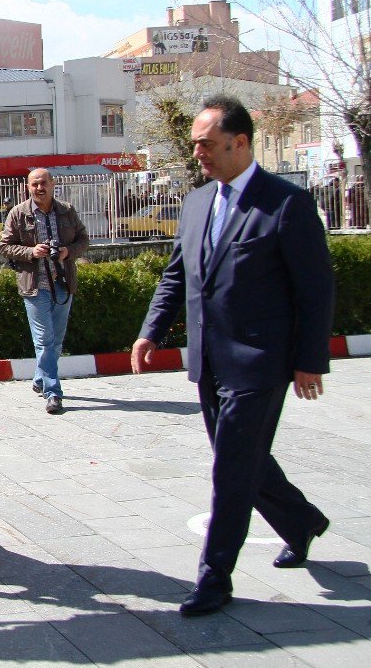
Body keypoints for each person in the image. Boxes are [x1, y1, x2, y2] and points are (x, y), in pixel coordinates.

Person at [131, 95, 333, 617]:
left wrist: (309, 360)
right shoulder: (198, 202)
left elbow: (316, 290)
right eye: (196, 143)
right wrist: (151, 331)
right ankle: (301, 520)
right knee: (245, 460)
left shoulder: (285, 204)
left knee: (230, 469)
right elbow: (178, 274)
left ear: (239, 142)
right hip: (209, 361)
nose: (197, 152)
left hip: (261, 363)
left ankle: (214, 577)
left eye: (206, 144)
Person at [0, 169, 89, 414]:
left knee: (56, 341)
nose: (39, 188)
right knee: (44, 341)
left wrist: (67, 252)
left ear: (53, 184)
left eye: (43, 183)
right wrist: (31, 252)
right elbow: (5, 246)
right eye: (34, 184)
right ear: (27, 187)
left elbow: (84, 239)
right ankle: (53, 392)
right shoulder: (18, 213)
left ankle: (40, 379)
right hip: (34, 287)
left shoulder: (67, 211)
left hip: (62, 284)